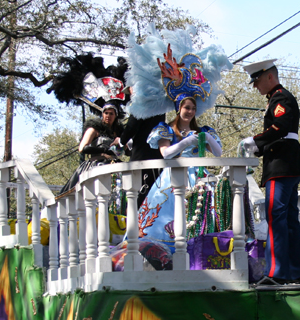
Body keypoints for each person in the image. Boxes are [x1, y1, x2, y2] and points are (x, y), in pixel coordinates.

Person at [239, 60, 300, 284]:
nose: (255, 86)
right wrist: (259, 146)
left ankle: (276, 273)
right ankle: (296, 272)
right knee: (289, 219)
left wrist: (255, 140)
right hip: (286, 162)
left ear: (269, 77)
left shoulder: (280, 97)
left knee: (276, 217)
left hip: (281, 164)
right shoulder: (277, 98)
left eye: (257, 80)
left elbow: (280, 127)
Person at [138, 97, 222, 251]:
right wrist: (186, 142)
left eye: (193, 108)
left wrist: (206, 137)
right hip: (173, 176)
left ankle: (202, 249)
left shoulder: (202, 131)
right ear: (178, 108)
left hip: (198, 177)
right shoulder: (167, 129)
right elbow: (166, 154)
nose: (190, 112)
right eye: (187, 108)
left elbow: (218, 152)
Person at [60, 103, 125, 194]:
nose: (108, 116)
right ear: (102, 114)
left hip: (113, 166)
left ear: (115, 116)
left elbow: (127, 151)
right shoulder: (94, 129)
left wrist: (122, 144)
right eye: (106, 113)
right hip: (96, 164)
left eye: (111, 114)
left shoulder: (118, 133)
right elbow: (82, 148)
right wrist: (104, 151)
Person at [119, 112, 166, 207]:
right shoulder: (161, 105)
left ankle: (138, 220)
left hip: (141, 155)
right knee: (152, 193)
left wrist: (121, 141)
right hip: (157, 154)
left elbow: (131, 127)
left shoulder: (141, 103)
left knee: (138, 194)